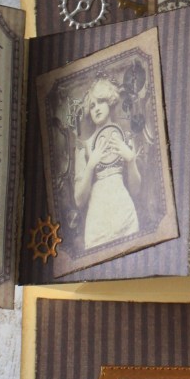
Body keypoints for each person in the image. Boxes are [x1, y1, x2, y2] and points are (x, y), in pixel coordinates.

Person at [74, 76, 141, 249]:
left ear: (110, 102)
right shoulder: (84, 147)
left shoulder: (126, 139)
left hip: (125, 217)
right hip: (98, 223)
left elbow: (136, 191)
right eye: (92, 106)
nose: (96, 108)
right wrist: (90, 166)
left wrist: (131, 160)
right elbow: (79, 201)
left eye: (101, 101)